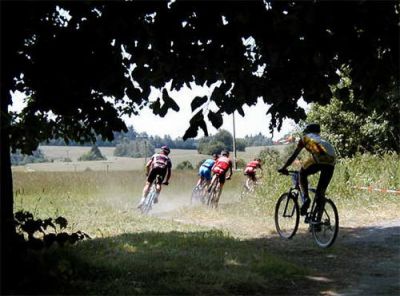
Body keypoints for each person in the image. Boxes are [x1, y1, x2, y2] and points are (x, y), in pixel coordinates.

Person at [278, 123, 336, 217]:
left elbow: (294, 156)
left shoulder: (304, 138)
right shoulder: (321, 139)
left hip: (319, 158)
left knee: (302, 173)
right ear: (318, 132)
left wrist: (284, 168)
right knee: (320, 194)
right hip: (332, 161)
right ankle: (317, 221)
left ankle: (306, 199)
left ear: (307, 132)